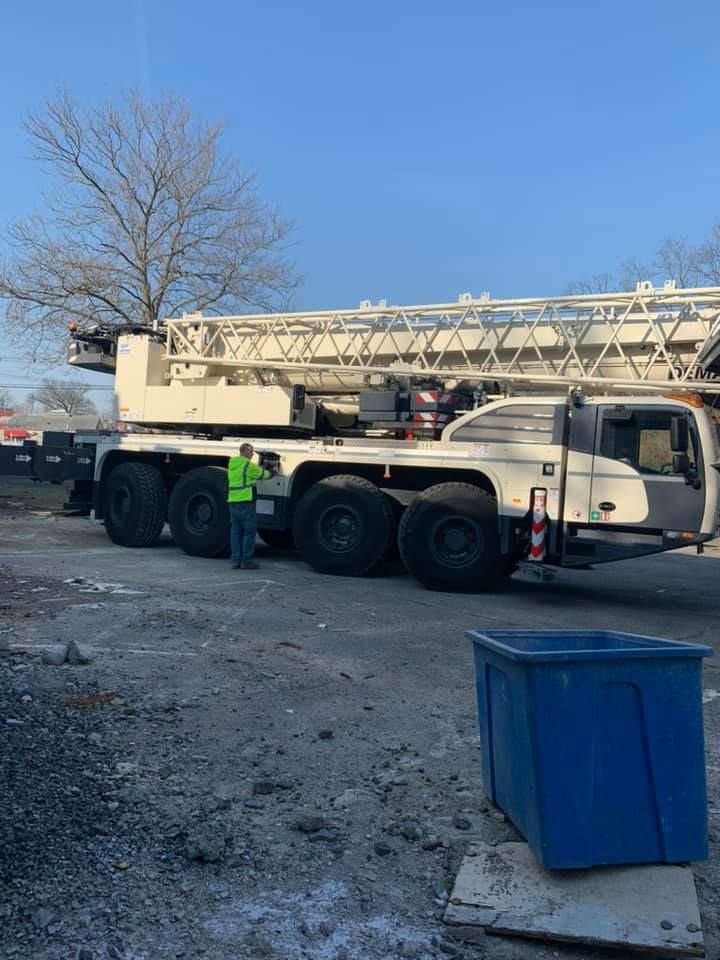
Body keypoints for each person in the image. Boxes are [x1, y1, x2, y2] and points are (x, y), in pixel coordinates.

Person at [227, 442, 273, 570]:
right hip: (246, 502)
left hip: (233, 502)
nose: (253, 454)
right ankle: (246, 561)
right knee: (249, 532)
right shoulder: (248, 465)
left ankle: (235, 561)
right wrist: (272, 471)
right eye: (251, 452)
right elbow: (262, 475)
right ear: (245, 452)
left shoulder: (232, 465)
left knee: (235, 532)